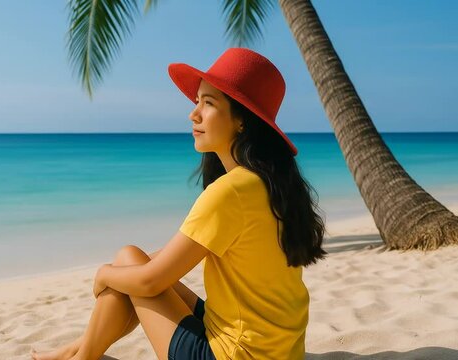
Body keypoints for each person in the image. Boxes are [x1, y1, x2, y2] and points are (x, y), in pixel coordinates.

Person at [32, 47, 326, 360]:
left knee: (128, 261)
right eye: (197, 101)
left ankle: (81, 358)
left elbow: (150, 281)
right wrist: (129, 270)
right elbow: (172, 260)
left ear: (242, 120)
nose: (193, 113)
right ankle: (76, 351)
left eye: (208, 103)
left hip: (235, 354)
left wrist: (104, 273)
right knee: (133, 264)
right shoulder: (269, 184)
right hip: (279, 351)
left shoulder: (230, 192)